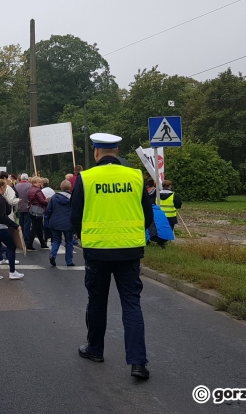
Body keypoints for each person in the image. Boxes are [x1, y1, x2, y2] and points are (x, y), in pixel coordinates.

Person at [70, 133, 154, 380]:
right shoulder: (136, 176)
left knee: (96, 302)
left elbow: (75, 216)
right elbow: (147, 215)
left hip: (97, 252)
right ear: (117, 151)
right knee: (131, 304)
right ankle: (138, 363)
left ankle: (95, 349)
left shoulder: (86, 178)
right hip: (130, 252)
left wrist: (83, 236)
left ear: (96, 152)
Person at [0, 180, 23, 281]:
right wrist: (15, 225)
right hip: (0, 227)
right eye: (5, 187)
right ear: (2, 187)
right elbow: (4, 215)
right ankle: (12, 272)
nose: (6, 189)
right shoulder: (1, 200)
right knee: (11, 247)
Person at [46, 180, 74, 267]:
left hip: (55, 222)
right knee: (69, 242)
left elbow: (49, 210)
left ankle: (53, 255)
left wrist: (49, 219)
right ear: (70, 188)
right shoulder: (72, 198)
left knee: (56, 240)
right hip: (68, 223)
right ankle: (69, 261)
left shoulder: (54, 197)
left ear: (61, 187)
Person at [26, 177, 49, 251]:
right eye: (39, 182)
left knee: (39, 227)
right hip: (38, 210)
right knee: (35, 228)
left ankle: (42, 243)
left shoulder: (30, 189)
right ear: (35, 182)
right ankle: (29, 244)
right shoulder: (38, 191)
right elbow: (42, 201)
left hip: (32, 209)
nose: (40, 184)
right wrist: (48, 201)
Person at [14, 173, 33, 243]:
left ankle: (21, 236)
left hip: (19, 206)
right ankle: (26, 238)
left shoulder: (16, 186)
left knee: (21, 222)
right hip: (27, 206)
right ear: (27, 179)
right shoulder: (30, 186)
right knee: (27, 223)